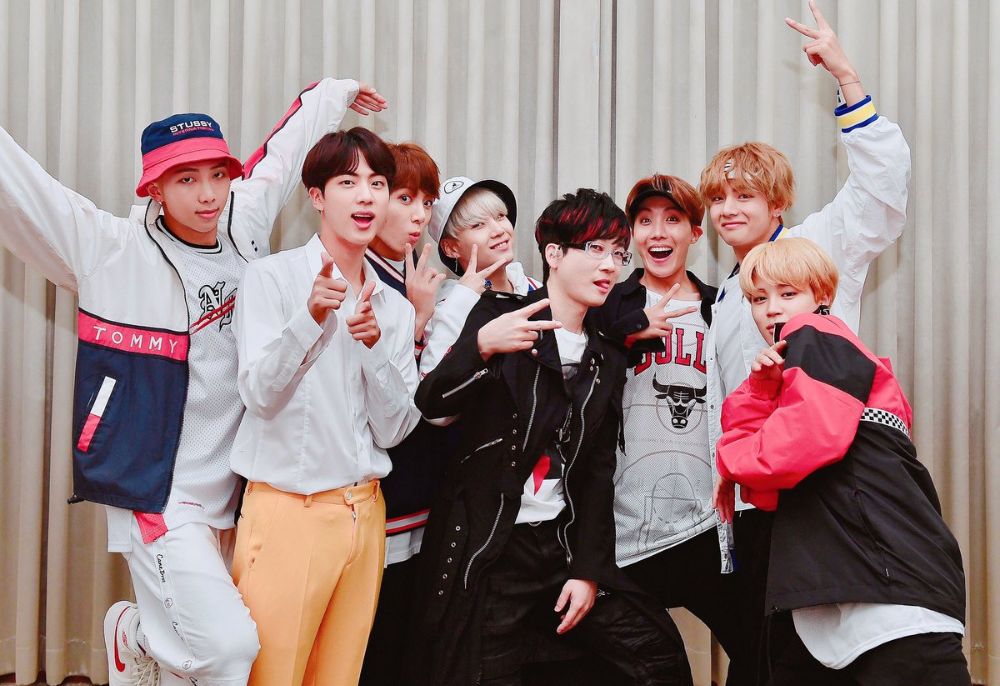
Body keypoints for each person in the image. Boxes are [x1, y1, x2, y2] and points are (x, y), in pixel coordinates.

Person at [0, 78, 386, 686]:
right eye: (186, 180)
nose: (207, 195)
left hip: (238, 491)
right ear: (154, 188)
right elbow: (24, 190)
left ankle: (143, 641)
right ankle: (137, 635)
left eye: (217, 175)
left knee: (223, 652)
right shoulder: (112, 250)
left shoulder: (242, 226)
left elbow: (282, 157)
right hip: (160, 492)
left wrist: (333, 94)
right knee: (230, 653)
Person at [701, 2, 911, 678]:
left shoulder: (816, 245)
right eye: (718, 199)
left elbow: (880, 191)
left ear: (777, 205)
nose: (728, 209)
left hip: (822, 489)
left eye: (744, 196)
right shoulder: (726, 296)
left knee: (813, 655)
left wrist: (846, 77)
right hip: (759, 501)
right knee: (767, 653)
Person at [412, 188, 692, 686]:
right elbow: (431, 403)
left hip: (559, 544)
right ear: (555, 254)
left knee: (655, 654)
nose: (609, 265)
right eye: (595, 249)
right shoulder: (499, 318)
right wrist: (481, 346)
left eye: (618, 254)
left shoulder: (605, 356)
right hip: (492, 549)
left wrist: (587, 570)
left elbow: (596, 473)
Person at [714, 237, 969, 686]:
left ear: (823, 296)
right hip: (848, 593)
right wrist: (762, 390)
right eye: (758, 298)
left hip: (884, 591)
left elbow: (786, 453)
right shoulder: (816, 367)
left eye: (788, 293)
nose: (772, 310)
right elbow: (767, 490)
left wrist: (729, 459)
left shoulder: (817, 334)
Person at [229, 127, 420, 686]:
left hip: (367, 516)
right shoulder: (271, 279)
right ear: (316, 195)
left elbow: (395, 429)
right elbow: (259, 395)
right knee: (270, 676)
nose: (366, 197)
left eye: (378, 184)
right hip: (291, 513)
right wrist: (309, 320)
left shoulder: (394, 309)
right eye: (348, 182)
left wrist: (374, 350)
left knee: (340, 677)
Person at [595, 174, 759, 683]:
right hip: (626, 532)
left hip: (707, 525)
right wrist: (623, 336)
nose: (658, 232)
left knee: (764, 651)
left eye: (672, 219)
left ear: (694, 232)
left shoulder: (722, 306)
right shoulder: (608, 304)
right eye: (645, 221)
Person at [359, 141, 452, 686]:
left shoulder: (416, 277)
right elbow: (385, 399)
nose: (419, 215)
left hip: (422, 498)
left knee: (408, 644)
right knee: (374, 647)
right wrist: (417, 322)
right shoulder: (359, 280)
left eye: (427, 202)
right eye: (404, 198)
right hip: (379, 502)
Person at [419, 176, 541, 377]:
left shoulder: (535, 289)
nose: (499, 230)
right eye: (477, 225)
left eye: (500, 216)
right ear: (451, 248)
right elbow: (431, 385)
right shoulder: (449, 310)